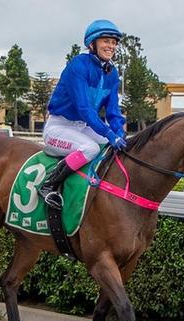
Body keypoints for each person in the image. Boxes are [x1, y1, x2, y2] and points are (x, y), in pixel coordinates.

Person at [39, 19, 127, 208]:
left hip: (82, 128)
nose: (111, 46)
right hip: (58, 127)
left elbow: (113, 111)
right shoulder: (78, 65)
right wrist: (109, 133)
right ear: (92, 44)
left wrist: (119, 132)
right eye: (106, 41)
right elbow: (84, 108)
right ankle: (49, 185)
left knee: (109, 147)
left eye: (113, 42)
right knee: (91, 149)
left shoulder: (111, 74)